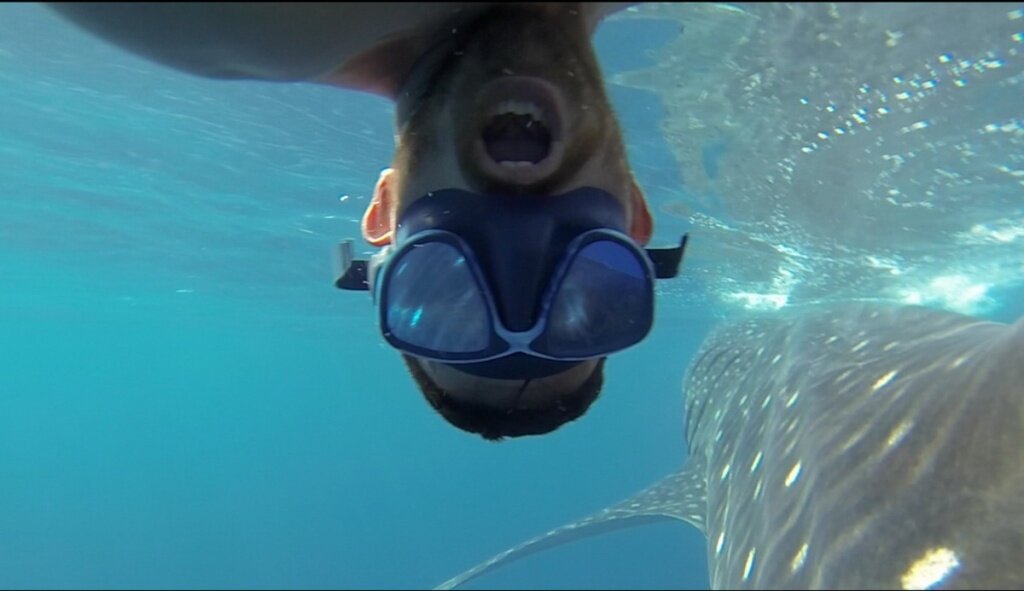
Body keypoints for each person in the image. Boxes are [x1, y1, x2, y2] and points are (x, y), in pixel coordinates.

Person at [49, 2, 686, 440]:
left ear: (383, 212)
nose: (518, 202)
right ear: (634, 214)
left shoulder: (231, 23)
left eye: (445, 290)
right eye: (584, 294)